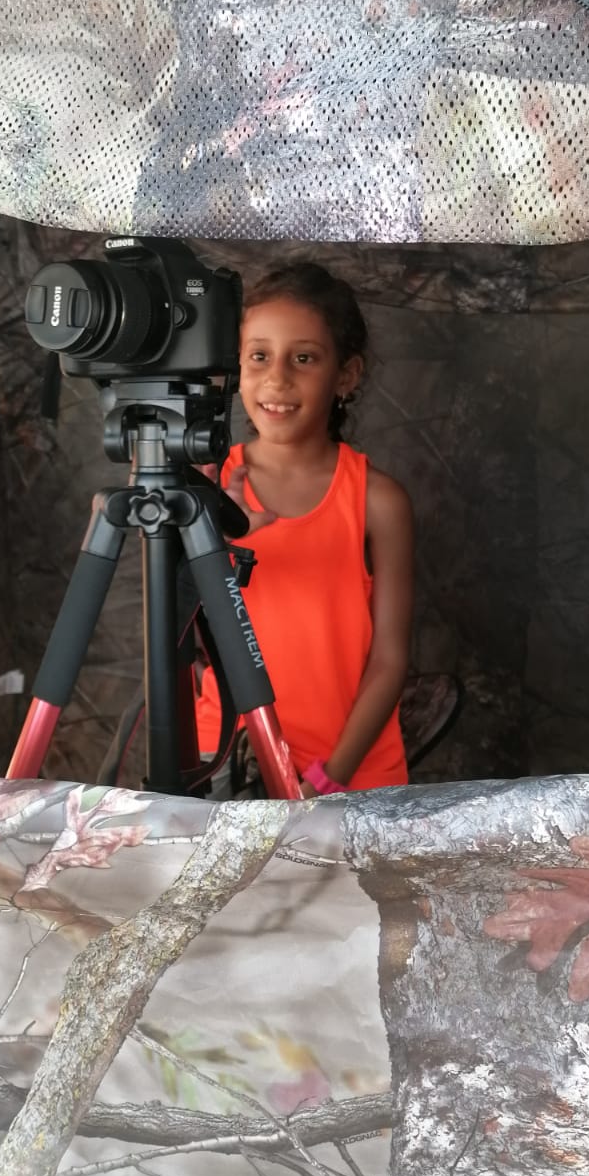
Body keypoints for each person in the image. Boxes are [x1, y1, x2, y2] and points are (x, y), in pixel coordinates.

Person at [196, 261, 413, 795]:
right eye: (259, 356)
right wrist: (215, 538)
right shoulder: (204, 486)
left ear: (346, 375)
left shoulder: (377, 501)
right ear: (236, 365)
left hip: (349, 777)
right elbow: (174, 633)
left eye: (304, 358)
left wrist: (328, 778)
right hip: (223, 764)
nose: (277, 379)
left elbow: (390, 660)